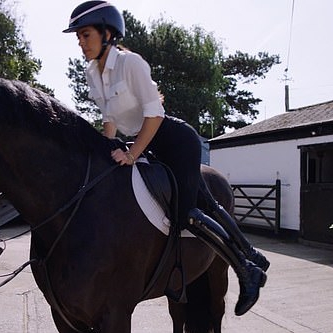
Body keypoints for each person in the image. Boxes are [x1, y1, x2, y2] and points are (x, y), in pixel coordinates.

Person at [63, 1, 269, 316]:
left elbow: (155, 113)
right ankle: (254, 255)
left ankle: (248, 271)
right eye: (78, 36)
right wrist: (104, 154)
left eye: (86, 34)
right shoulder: (92, 72)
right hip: (145, 142)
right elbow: (109, 120)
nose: (81, 42)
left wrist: (132, 153)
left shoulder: (131, 63)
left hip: (173, 140)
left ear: (107, 34)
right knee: (210, 204)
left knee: (189, 212)